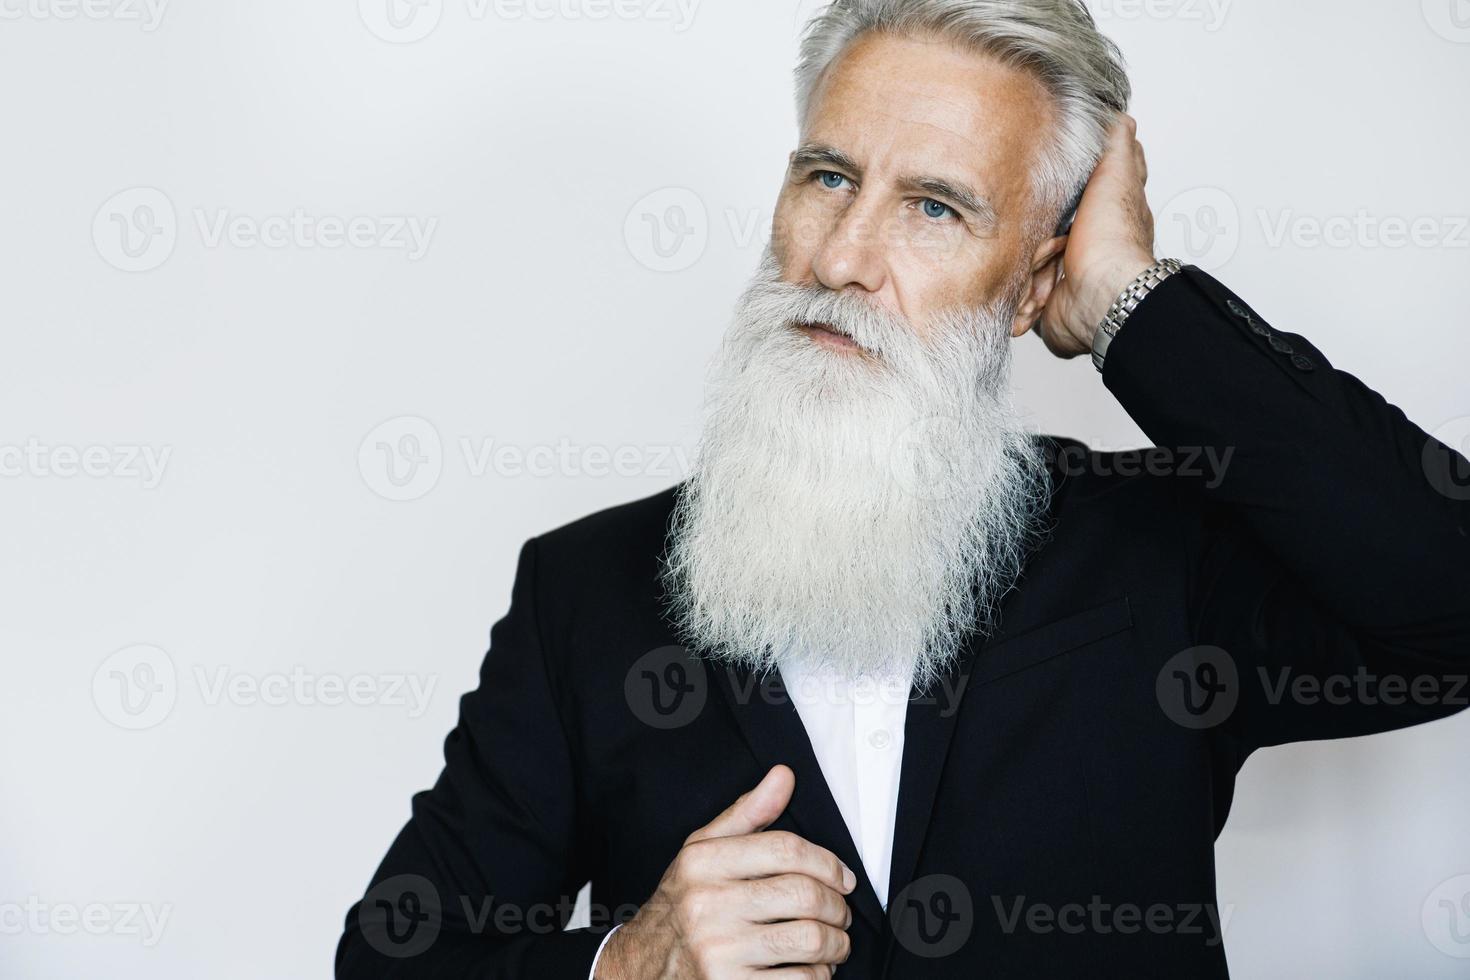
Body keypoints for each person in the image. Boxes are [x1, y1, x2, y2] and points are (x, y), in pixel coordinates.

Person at [336, 1, 1470, 976]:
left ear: (1032, 286)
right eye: (827, 177)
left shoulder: (1160, 553)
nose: (840, 257)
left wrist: (1134, 300)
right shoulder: (581, 589)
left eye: (935, 207)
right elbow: (396, 955)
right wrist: (621, 963)